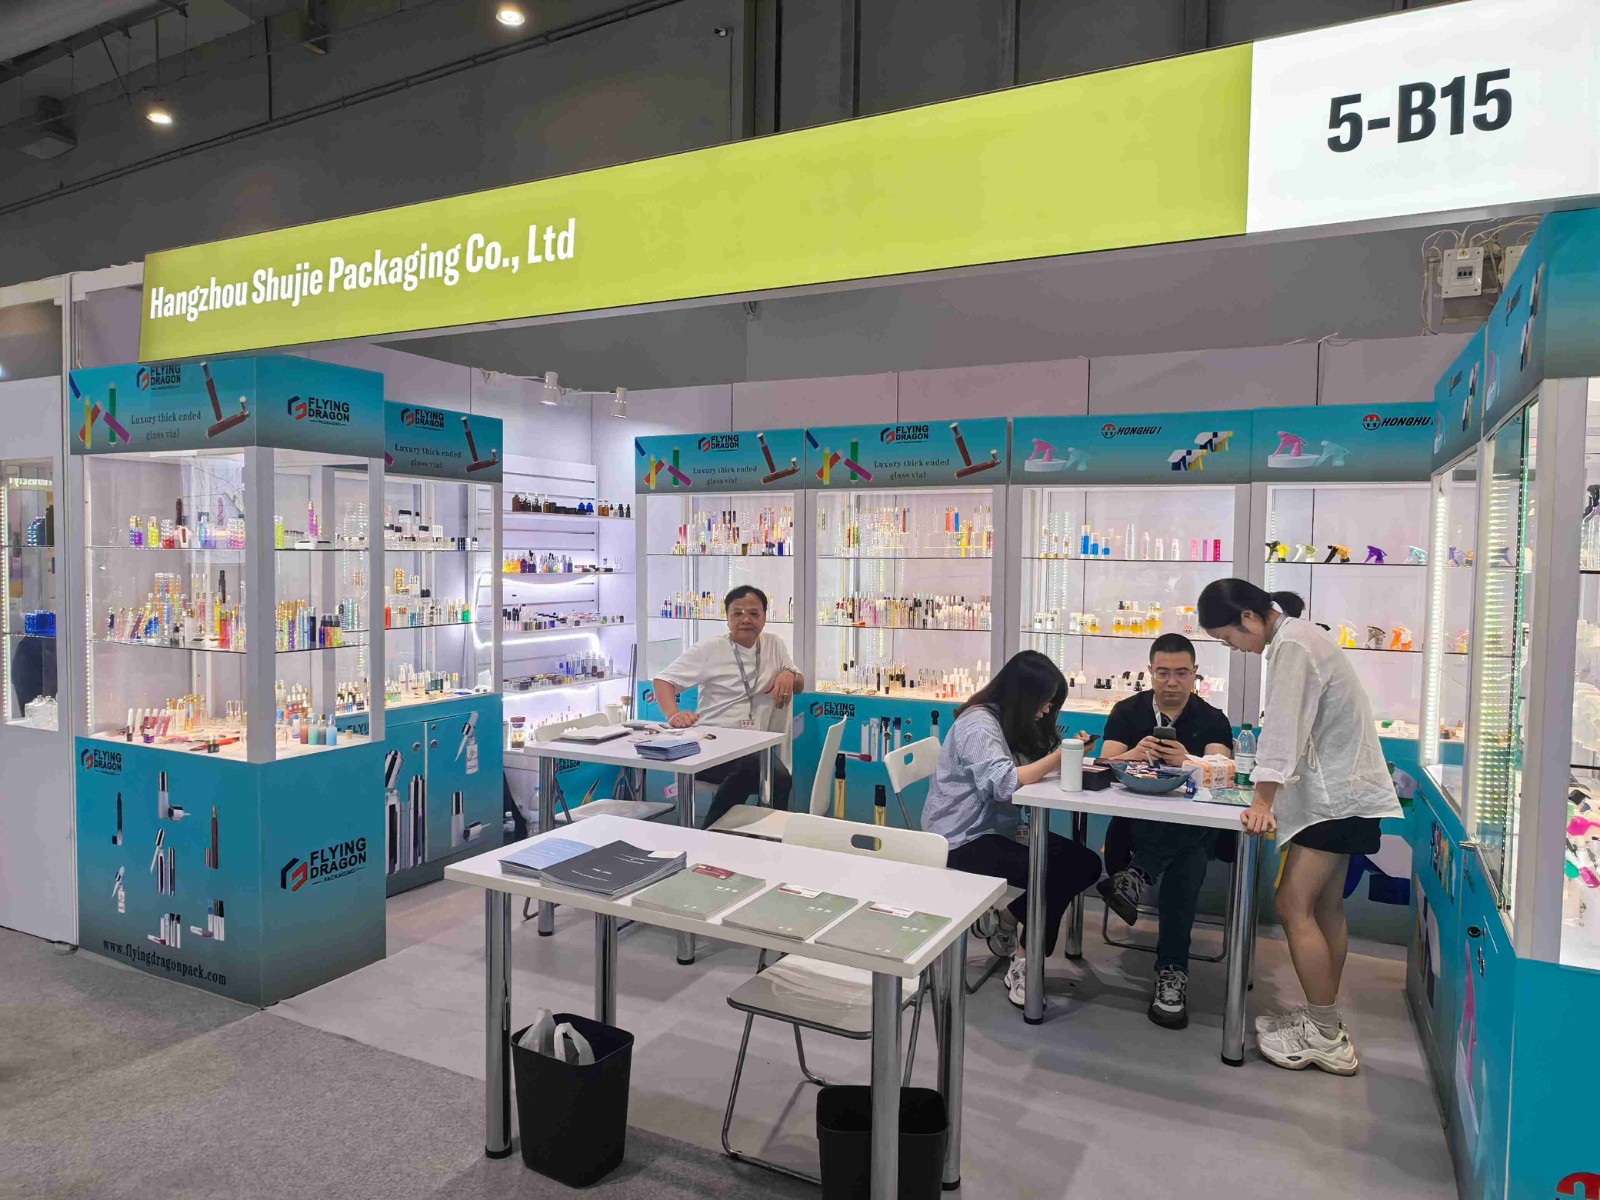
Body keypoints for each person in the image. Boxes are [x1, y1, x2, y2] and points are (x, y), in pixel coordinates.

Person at [1197, 578, 1401, 1075]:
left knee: (1292, 904)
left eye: (1228, 638)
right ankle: (1321, 1017)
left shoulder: (1292, 645)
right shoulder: (1302, 637)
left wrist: (1262, 800)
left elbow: (1283, 728)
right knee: (1326, 907)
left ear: (1249, 617)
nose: (1234, 647)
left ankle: (1325, 1035)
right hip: (1344, 796)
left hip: (1333, 800)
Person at [921, 650, 1103, 1010]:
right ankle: (1025, 959)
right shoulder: (978, 725)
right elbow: (1004, 785)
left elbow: (1025, 769)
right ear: (1023, 695)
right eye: (1045, 701)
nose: (1047, 710)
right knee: (1052, 874)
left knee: (1085, 864)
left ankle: (1007, 918)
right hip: (961, 839)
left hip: (998, 829)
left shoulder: (1007, 720)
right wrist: (1063, 756)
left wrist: (1066, 752)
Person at [1095, 633, 1234, 1030]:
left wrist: (1186, 760)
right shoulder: (1127, 710)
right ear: (1150, 672)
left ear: (1195, 674)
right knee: (1187, 852)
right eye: (1163, 673)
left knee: (1188, 852)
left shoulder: (1212, 718)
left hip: (1191, 830)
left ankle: (1137, 879)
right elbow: (1104, 764)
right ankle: (1172, 972)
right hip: (1134, 829)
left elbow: (1222, 773)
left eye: (1181, 673)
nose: (1172, 682)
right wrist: (1134, 755)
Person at [652, 585, 801, 828]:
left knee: (764, 771)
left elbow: (800, 684)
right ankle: (713, 833)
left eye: (754, 613)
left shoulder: (774, 645)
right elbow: (663, 680)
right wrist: (673, 714)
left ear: (765, 616)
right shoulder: (709, 649)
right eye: (737, 613)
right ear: (727, 617)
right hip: (711, 747)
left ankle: (757, 835)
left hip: (754, 748)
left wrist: (790, 675)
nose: (746, 619)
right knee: (769, 774)